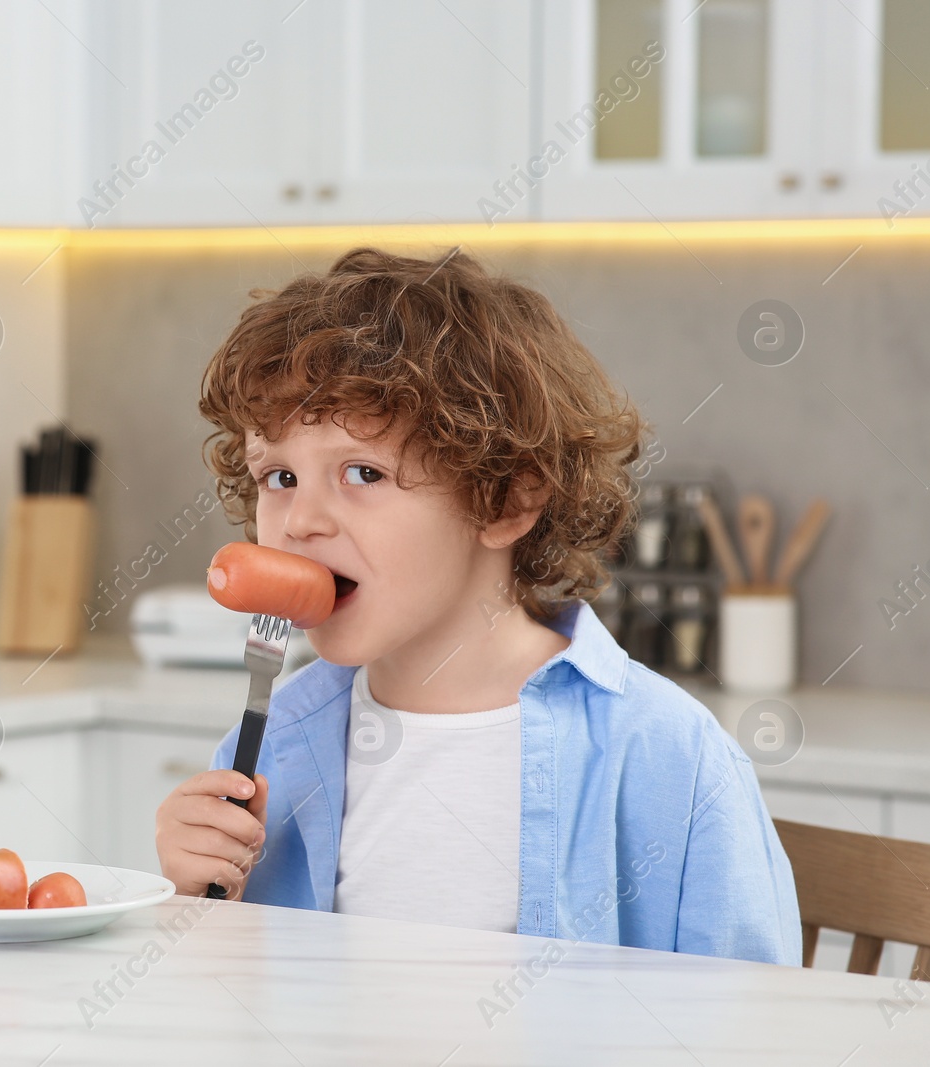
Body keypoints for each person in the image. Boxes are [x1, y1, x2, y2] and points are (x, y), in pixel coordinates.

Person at [155, 247, 801, 965]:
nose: (300, 520)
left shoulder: (668, 756)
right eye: (278, 475)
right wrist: (196, 902)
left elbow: (753, 1021)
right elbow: (226, 1011)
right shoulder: (269, 744)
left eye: (362, 471)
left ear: (507, 499)